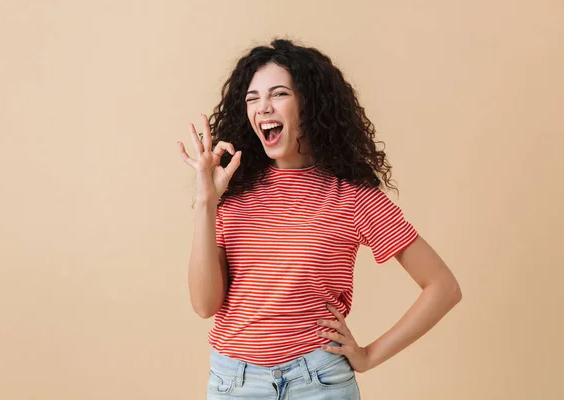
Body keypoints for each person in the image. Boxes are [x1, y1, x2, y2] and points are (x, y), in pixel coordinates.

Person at [178, 38, 462, 400]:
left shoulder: (353, 195)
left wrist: (369, 356)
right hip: (235, 384)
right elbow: (205, 305)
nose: (263, 107)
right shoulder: (232, 190)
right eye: (253, 98)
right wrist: (206, 201)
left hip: (318, 382)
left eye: (278, 94)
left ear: (308, 104)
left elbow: (443, 287)